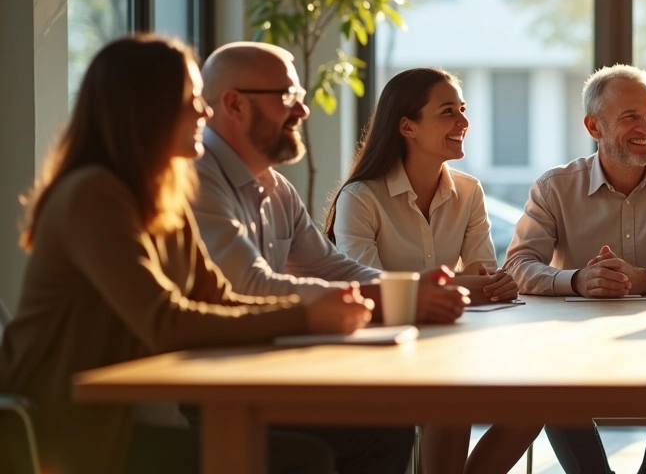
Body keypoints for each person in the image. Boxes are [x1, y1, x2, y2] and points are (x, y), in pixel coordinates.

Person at [0, 35, 375, 474]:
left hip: (142, 414)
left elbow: (218, 298)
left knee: (366, 435)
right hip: (76, 432)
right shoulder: (92, 195)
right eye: (191, 99)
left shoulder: (165, 197)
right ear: (145, 109)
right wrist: (307, 317)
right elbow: (164, 321)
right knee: (304, 459)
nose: (205, 110)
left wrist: (315, 309)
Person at [194, 41, 468, 473]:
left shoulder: (275, 187)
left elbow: (327, 265)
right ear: (235, 105)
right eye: (288, 98)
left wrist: (406, 289)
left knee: (391, 421)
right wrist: (388, 299)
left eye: (300, 98)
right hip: (209, 384)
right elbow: (245, 284)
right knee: (382, 430)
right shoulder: (196, 179)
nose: (303, 112)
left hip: (259, 370)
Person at [505, 64, 646, 474]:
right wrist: (575, 280)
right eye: (629, 117)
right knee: (549, 384)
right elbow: (517, 265)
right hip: (578, 349)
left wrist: (642, 279)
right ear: (594, 126)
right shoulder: (555, 187)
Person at [325, 67, 537, 474]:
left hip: (451, 340)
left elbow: (486, 280)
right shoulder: (361, 198)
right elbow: (371, 291)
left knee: (540, 401)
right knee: (450, 395)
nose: (463, 122)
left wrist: (487, 284)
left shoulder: (469, 191)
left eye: (463, 109)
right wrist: (466, 285)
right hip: (383, 349)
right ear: (407, 126)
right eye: (447, 112)